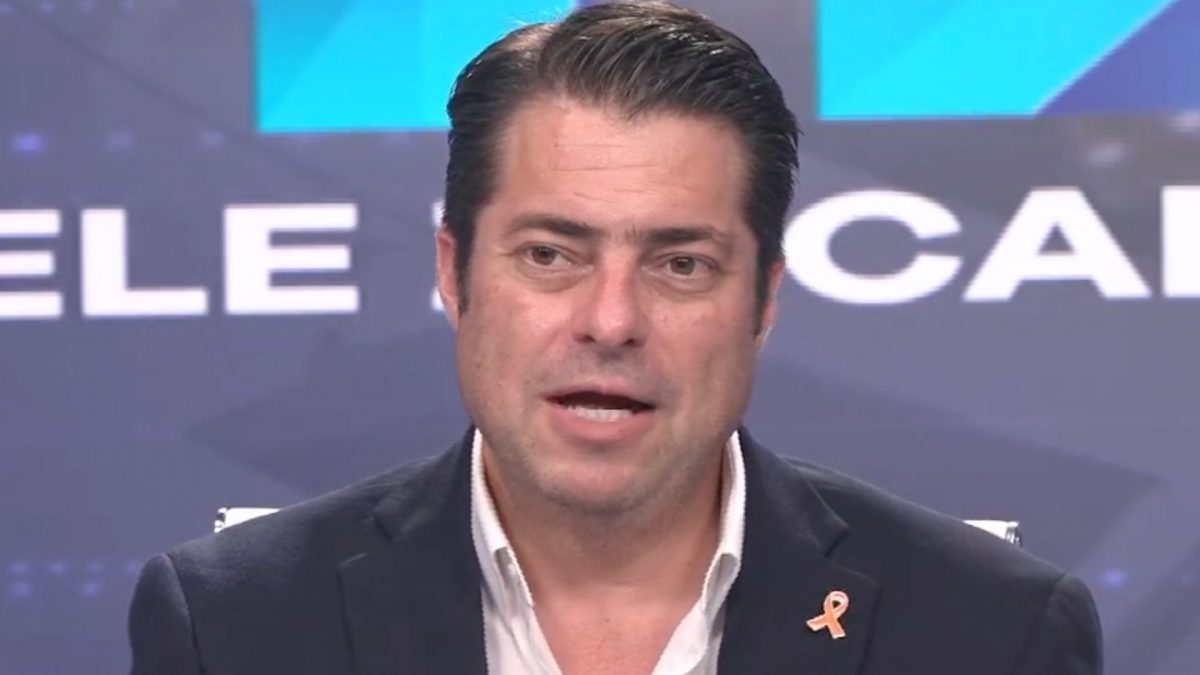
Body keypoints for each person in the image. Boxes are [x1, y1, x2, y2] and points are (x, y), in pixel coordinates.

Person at [127, 2, 1103, 673]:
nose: (611, 320)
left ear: (763, 300)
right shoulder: (235, 624)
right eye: (551, 254)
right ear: (454, 274)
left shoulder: (991, 630)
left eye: (681, 264)